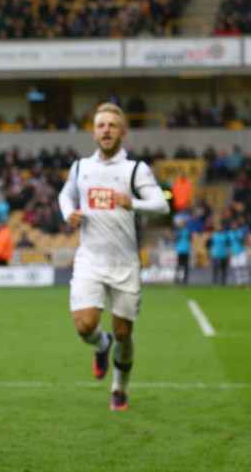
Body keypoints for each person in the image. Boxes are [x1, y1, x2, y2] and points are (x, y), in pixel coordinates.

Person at [57, 103, 169, 412]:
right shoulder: (81, 167)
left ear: (123, 133)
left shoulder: (135, 169)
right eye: (101, 125)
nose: (106, 129)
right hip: (90, 260)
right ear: (94, 132)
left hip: (125, 264)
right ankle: (100, 345)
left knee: (124, 333)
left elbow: (161, 204)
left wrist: (133, 203)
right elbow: (65, 194)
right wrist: (70, 213)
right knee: (84, 326)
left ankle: (119, 388)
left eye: (112, 125)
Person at [172, 212, 191, 286]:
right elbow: (175, 237)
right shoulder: (178, 231)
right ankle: (177, 279)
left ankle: (185, 280)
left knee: (185, 266)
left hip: (186, 250)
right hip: (180, 250)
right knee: (179, 266)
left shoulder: (186, 231)